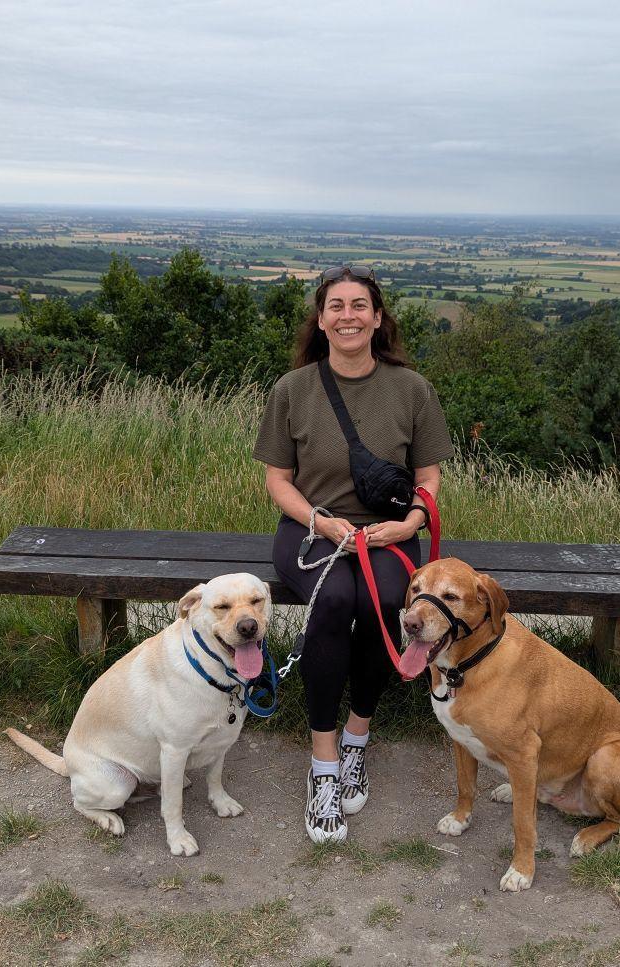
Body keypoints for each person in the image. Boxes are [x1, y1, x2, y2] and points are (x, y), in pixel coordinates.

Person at [253, 264, 455, 843]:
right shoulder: (292, 390)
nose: (348, 316)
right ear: (321, 320)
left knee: (387, 601)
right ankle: (323, 766)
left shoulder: (412, 389)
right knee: (335, 599)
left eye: (359, 305)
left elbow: (429, 477)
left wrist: (410, 523)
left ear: (377, 317)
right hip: (311, 529)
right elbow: (278, 481)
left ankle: (356, 739)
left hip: (389, 531)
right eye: (336, 306)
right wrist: (319, 520)